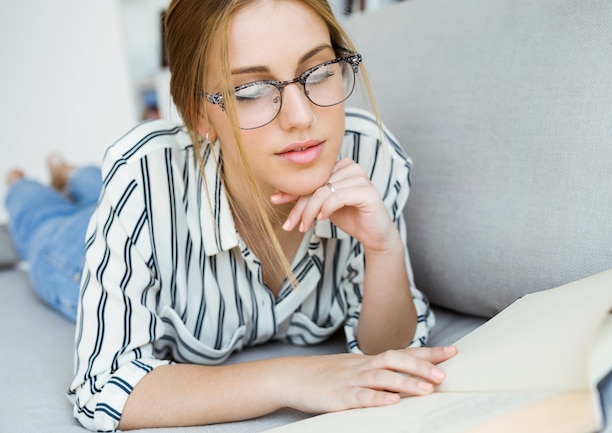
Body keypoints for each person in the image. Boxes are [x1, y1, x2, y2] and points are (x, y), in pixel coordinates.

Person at [64, 0, 457, 430]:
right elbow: (103, 389)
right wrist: (293, 377)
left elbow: (393, 349)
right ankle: (34, 184)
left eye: (321, 73)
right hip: (84, 247)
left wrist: (383, 249)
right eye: (250, 91)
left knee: (83, 189)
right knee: (47, 230)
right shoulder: (143, 177)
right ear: (200, 114)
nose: (302, 117)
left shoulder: (370, 157)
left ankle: (73, 178)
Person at [5, 156, 101, 322]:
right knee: (116, 189)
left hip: (77, 241)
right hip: (110, 223)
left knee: (41, 217)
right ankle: (63, 171)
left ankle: (21, 181)